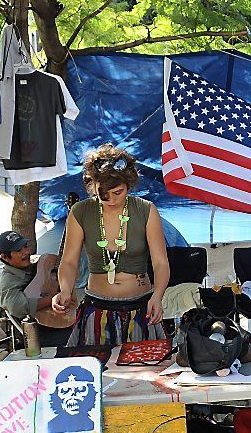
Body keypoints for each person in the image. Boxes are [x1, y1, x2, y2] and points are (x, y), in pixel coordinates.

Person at [52, 144, 170, 346]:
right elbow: (69, 261)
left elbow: (161, 263)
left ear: (129, 185)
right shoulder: (81, 211)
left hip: (141, 306)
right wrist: (65, 289)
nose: (112, 199)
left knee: (143, 372)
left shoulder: (145, 209)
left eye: (118, 192)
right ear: (93, 185)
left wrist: (157, 296)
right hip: (97, 307)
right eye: (103, 194)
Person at [0, 229, 72, 347]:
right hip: (39, 333)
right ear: (5, 257)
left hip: (59, 323)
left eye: (26, 246)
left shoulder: (35, 267)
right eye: (19, 250)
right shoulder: (8, 281)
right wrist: (54, 299)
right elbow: (17, 307)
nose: (26, 252)